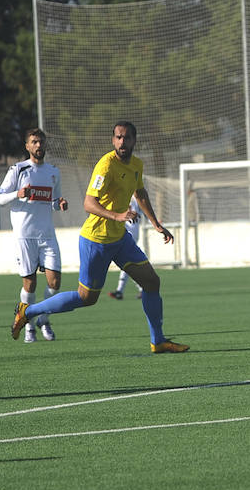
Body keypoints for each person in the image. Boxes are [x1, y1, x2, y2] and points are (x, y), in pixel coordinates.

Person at [11, 121, 188, 354]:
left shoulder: (136, 164)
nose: (122, 142)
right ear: (113, 140)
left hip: (120, 239)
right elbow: (88, 203)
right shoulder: (106, 165)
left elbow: (140, 192)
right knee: (86, 298)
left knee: (152, 282)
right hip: (96, 240)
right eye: (118, 137)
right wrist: (117, 215)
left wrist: (156, 224)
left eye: (126, 137)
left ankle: (158, 341)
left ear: (134, 140)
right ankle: (28, 311)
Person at [0, 129, 69, 343]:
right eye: (34, 142)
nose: (38, 145)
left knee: (55, 282)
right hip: (25, 236)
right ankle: (28, 326)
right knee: (30, 284)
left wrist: (60, 204)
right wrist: (17, 193)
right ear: (27, 146)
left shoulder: (53, 171)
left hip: (47, 235)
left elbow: (54, 201)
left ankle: (43, 320)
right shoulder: (18, 170)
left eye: (41, 142)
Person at [108, 195, 144, 300]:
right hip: (126, 234)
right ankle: (121, 291)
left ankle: (140, 289)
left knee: (126, 262)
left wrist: (155, 222)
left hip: (129, 234)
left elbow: (144, 213)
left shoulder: (134, 200)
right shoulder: (123, 198)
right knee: (127, 263)